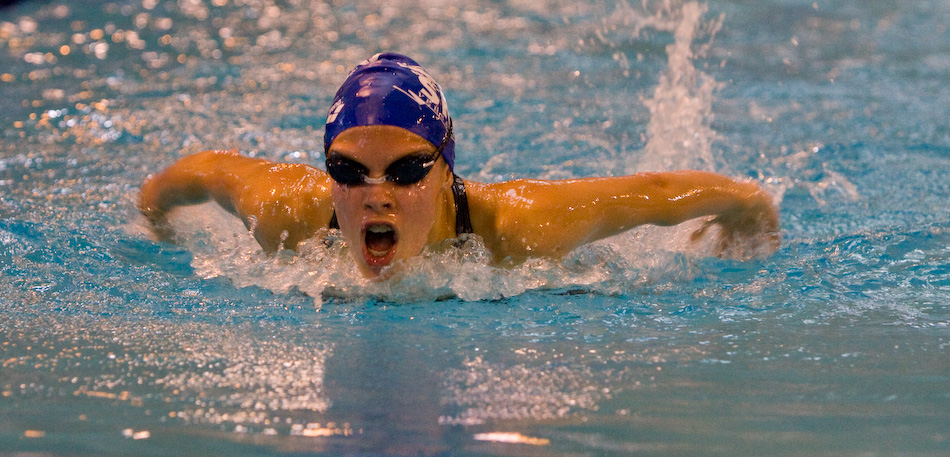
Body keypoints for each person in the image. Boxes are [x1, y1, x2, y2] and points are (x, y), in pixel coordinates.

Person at [139, 52, 779, 277]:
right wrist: (156, 227)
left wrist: (748, 212)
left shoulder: (520, 229)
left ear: (447, 169)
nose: (375, 195)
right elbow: (199, 173)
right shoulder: (289, 216)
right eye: (350, 171)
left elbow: (656, 191)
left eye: (406, 171)